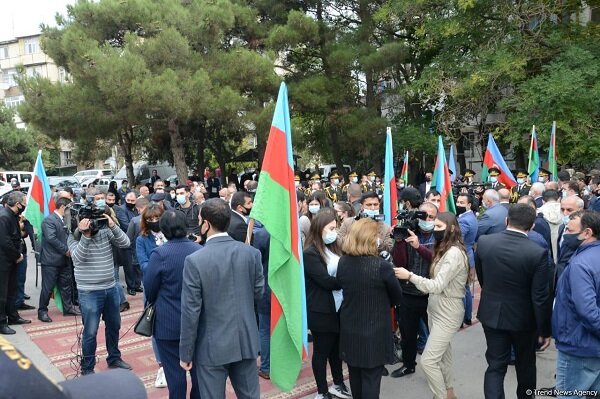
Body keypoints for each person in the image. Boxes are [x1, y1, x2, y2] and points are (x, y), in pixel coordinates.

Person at [180, 199, 264, 399]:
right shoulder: (251, 254)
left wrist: (185, 352)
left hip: (211, 346)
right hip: (246, 339)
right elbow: (258, 293)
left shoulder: (195, 261)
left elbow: (191, 311)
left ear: (206, 224)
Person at [475, 204, 551, 399]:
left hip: (491, 314)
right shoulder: (537, 252)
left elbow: (482, 278)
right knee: (525, 365)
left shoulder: (484, 242)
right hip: (523, 320)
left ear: (506, 221)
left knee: (495, 366)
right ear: (532, 226)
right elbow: (540, 296)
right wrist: (544, 330)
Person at [395, 212, 469, 399]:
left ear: (451, 228)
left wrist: (410, 276)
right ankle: (449, 392)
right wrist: (418, 247)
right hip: (436, 309)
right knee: (444, 356)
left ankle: (441, 395)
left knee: (428, 361)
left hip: (448, 312)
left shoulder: (453, 253)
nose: (434, 230)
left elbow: (436, 285)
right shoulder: (445, 248)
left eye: (438, 227)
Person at [337, 218, 403, 399]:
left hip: (350, 328)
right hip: (374, 332)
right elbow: (397, 297)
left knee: (355, 376)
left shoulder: (343, 262)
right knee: (372, 379)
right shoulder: (382, 266)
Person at [68, 202, 132, 375]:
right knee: (90, 331)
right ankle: (87, 368)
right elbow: (78, 259)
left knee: (114, 325)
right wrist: (85, 235)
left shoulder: (105, 231)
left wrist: (112, 225)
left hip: (110, 288)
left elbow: (125, 242)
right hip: (89, 292)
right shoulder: (73, 236)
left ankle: (114, 357)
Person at [144, 211, 201, 399]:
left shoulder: (160, 254)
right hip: (197, 322)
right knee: (199, 373)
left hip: (167, 322)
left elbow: (150, 288)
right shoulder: (199, 250)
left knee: (174, 375)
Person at [552, 211, 600, 397]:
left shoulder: (581, 264)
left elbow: (587, 311)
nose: (566, 235)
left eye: (570, 231)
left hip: (579, 348)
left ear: (587, 233)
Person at [303, 209, 350, 399]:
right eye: (331, 228)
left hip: (339, 307)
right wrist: (348, 279)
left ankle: (338, 383)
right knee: (322, 352)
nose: (334, 232)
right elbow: (325, 281)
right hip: (321, 310)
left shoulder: (333, 246)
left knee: (336, 350)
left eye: (335, 228)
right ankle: (322, 391)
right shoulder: (310, 252)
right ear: (319, 228)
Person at [390, 201, 438, 378]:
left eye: (431, 217)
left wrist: (419, 246)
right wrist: (400, 241)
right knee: (408, 334)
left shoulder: (440, 235)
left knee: (436, 334)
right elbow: (400, 263)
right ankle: (409, 364)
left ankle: (438, 369)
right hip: (408, 293)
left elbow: (438, 260)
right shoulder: (410, 232)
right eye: (423, 216)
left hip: (431, 293)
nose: (426, 220)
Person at [136, 203, 167, 387]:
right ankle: (161, 366)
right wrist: (163, 267)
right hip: (153, 286)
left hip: (172, 286)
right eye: (150, 220)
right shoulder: (142, 239)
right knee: (155, 327)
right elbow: (144, 264)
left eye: (157, 218)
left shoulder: (170, 234)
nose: (154, 222)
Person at [38, 197, 78, 322]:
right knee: (47, 287)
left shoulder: (65, 220)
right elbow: (51, 238)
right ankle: (42, 311)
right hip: (51, 261)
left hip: (64, 260)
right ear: (63, 207)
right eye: (69, 209)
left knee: (66, 285)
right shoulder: (49, 220)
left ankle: (68, 309)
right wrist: (66, 250)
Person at [0, 191, 30, 334]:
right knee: (2, 292)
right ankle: (1, 323)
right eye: (24, 203)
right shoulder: (4, 216)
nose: (25, 205)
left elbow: (16, 236)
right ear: (17, 204)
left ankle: (12, 316)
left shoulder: (12, 216)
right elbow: (5, 241)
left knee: (12, 289)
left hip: (11, 260)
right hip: (4, 261)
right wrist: (17, 254)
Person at [456, 193, 478, 325]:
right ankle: (468, 316)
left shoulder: (464, 220)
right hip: (468, 254)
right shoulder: (470, 216)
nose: (458, 205)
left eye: (461, 203)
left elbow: (459, 240)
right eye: (457, 202)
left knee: (461, 289)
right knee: (466, 288)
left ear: (469, 205)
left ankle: (462, 318)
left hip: (463, 255)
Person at [116, 191, 139, 296]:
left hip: (137, 240)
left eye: (132, 200)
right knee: (129, 266)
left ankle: (137, 285)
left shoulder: (136, 209)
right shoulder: (121, 209)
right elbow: (126, 225)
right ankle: (131, 287)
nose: (130, 202)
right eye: (128, 200)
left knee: (137, 265)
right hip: (127, 240)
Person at [538, 189, 562, 262]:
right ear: (559, 199)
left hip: (545, 247)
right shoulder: (566, 210)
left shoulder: (539, 212)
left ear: (543, 201)